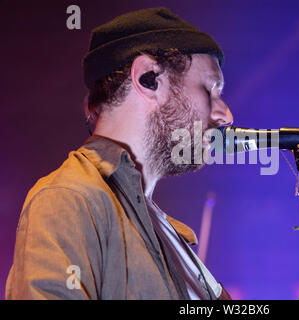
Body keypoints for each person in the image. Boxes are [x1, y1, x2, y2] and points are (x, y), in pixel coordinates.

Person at [5, 7, 233, 300]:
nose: (225, 114)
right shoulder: (70, 199)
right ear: (149, 78)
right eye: (211, 89)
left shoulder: (168, 232)